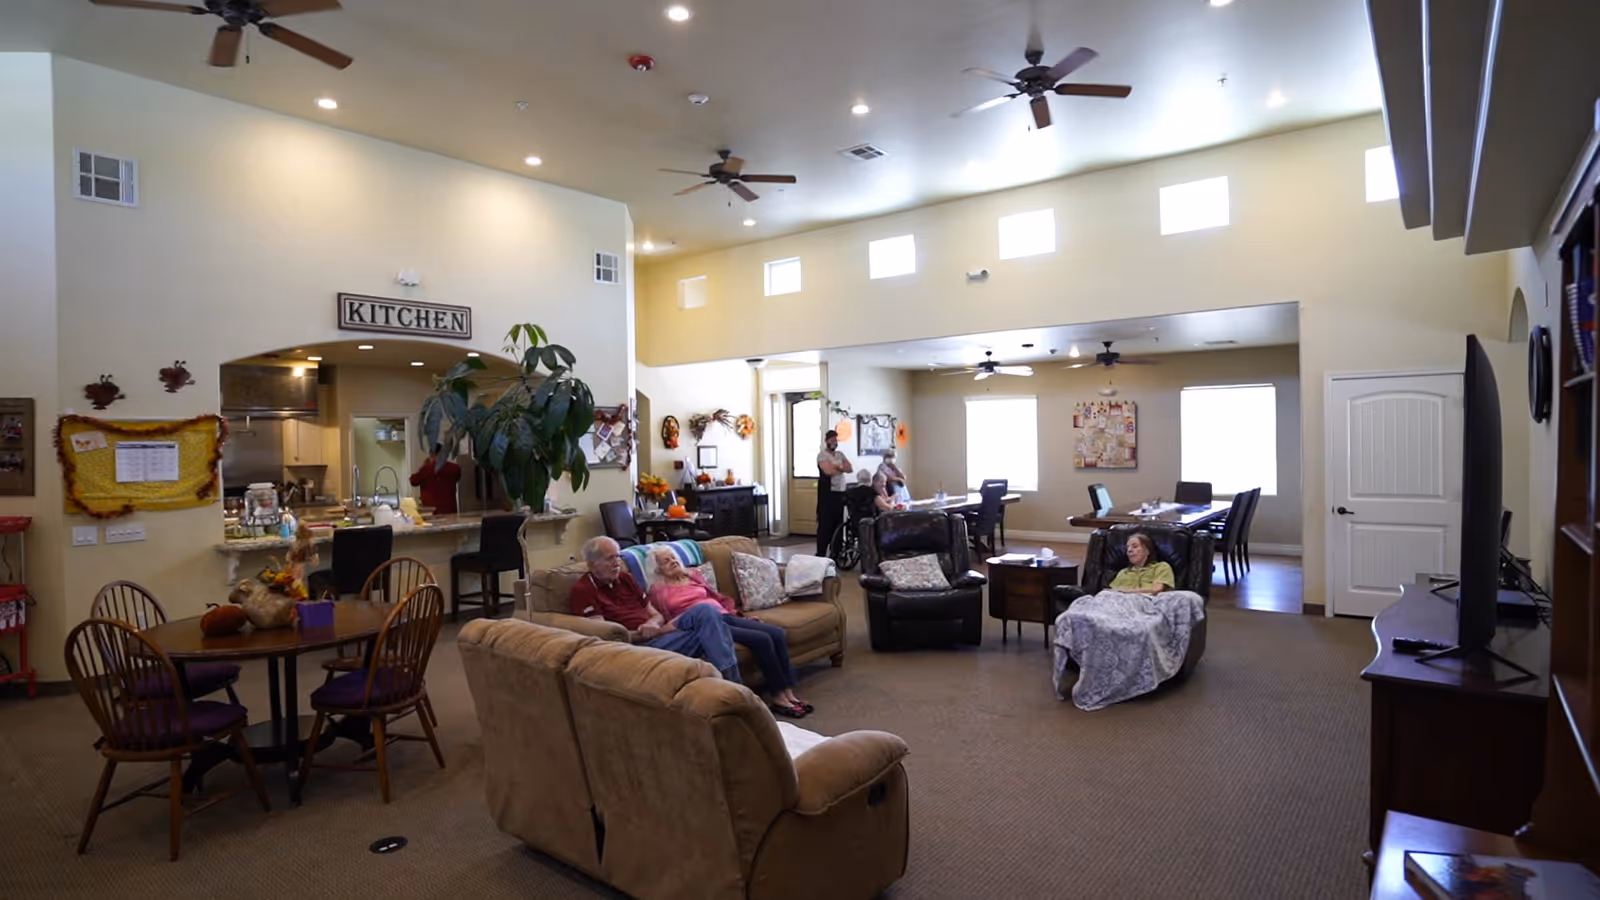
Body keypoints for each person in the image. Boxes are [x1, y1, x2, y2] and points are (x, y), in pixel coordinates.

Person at [646, 547, 812, 719]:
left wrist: (741, 617)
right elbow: (669, 618)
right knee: (762, 640)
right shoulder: (658, 590)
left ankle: (789, 693)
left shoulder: (692, 575)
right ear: (658, 569)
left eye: (673, 557)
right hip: (711, 625)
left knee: (777, 633)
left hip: (726, 616)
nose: (673, 561)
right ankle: (778, 697)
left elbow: (715, 598)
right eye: (666, 561)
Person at [569, 537, 741, 681]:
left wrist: (654, 624)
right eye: (609, 559)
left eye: (618, 557)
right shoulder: (584, 591)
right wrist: (642, 632)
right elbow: (603, 637)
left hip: (660, 636)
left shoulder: (625, 578)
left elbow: (656, 614)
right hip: (638, 646)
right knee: (712, 628)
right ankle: (734, 687)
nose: (617, 564)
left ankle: (731, 688)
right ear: (591, 565)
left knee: (706, 612)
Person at [815, 430, 853, 557]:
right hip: (827, 494)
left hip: (840, 493)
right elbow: (828, 471)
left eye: (836, 440)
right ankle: (821, 552)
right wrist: (840, 467)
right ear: (826, 441)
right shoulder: (822, 455)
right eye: (832, 440)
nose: (834, 443)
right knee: (826, 523)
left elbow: (849, 468)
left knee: (838, 523)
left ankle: (835, 552)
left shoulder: (840, 454)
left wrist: (838, 467)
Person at [1109, 533, 1175, 595]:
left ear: (1147, 550)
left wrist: (1125, 592)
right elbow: (1111, 592)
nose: (1129, 550)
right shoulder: (1123, 572)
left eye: (1135, 546)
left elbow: (1156, 589)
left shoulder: (1161, 567)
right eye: (1127, 548)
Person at [409, 443, 462, 515]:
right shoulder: (455, 468)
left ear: (431, 454)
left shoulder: (426, 469)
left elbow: (413, 481)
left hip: (432, 512)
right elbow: (457, 477)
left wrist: (424, 466)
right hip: (450, 512)